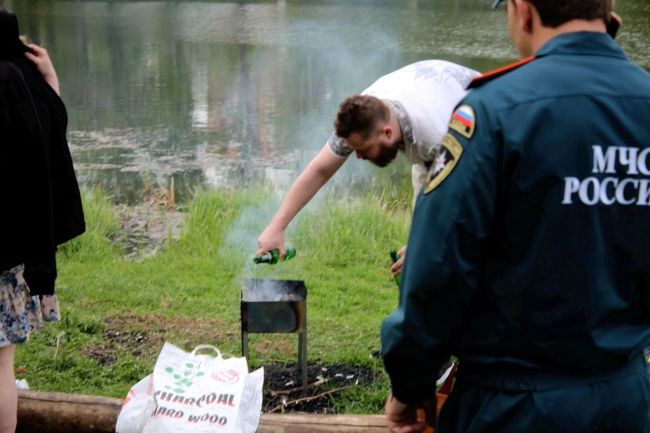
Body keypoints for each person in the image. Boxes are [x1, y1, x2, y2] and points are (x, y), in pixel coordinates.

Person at [381, 0, 650, 432]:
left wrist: (411, 384)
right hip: (627, 401)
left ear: (524, 11)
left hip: (513, 408)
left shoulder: (494, 112)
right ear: (608, 12)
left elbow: (437, 270)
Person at [256, 60, 480, 275]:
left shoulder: (436, 136)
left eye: (363, 149)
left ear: (388, 133)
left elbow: (453, 199)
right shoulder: (362, 116)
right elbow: (319, 170)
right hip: (431, 96)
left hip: (484, 125)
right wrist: (277, 226)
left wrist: (421, 245)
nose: (358, 156)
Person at [0, 10, 85, 433]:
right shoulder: (18, 79)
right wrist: (49, 79)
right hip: (8, 250)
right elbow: (50, 131)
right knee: (1, 365)